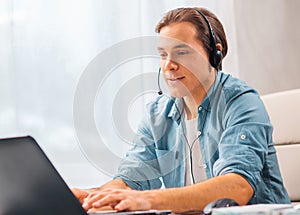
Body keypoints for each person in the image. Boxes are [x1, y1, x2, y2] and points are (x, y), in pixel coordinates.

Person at [72, 7, 290, 213]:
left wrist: (147, 200)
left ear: (215, 54)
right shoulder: (158, 114)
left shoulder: (241, 101)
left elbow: (237, 186)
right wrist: (94, 196)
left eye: (181, 52)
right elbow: (130, 181)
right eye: (163, 54)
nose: (168, 65)